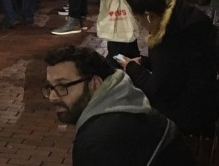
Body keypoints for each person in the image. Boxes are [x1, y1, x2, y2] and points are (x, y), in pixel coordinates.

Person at [43, 44, 195, 165]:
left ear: (95, 83)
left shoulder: (97, 143)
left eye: (63, 86)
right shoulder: (128, 100)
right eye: (50, 87)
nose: (52, 97)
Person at [117, 0, 219, 135]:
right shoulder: (178, 21)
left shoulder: (166, 40)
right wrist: (145, 62)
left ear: (149, 16)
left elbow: (157, 89)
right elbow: (176, 65)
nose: (141, 26)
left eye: (139, 21)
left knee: (132, 105)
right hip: (204, 98)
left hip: (193, 113)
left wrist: (131, 68)